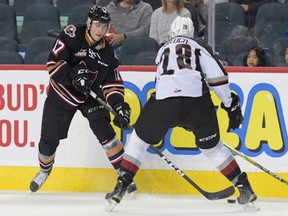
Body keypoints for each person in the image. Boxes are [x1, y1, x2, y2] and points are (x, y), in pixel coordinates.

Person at [105, 16, 257, 209]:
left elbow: (162, 84)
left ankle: (121, 186)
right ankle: (244, 187)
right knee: (212, 147)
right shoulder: (199, 46)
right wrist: (230, 105)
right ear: (191, 34)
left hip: (165, 103)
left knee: (139, 140)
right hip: (197, 105)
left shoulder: (162, 50)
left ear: (172, 33)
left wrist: (175, 114)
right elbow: (218, 78)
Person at [29, 5, 137, 195]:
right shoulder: (72, 35)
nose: (100, 30)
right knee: (48, 140)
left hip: (90, 95)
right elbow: (53, 63)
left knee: (106, 133)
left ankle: (123, 174)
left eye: (104, 26)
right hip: (62, 93)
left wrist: (119, 106)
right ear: (88, 24)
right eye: (97, 25)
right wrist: (73, 77)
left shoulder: (108, 54)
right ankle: (45, 170)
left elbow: (113, 85)